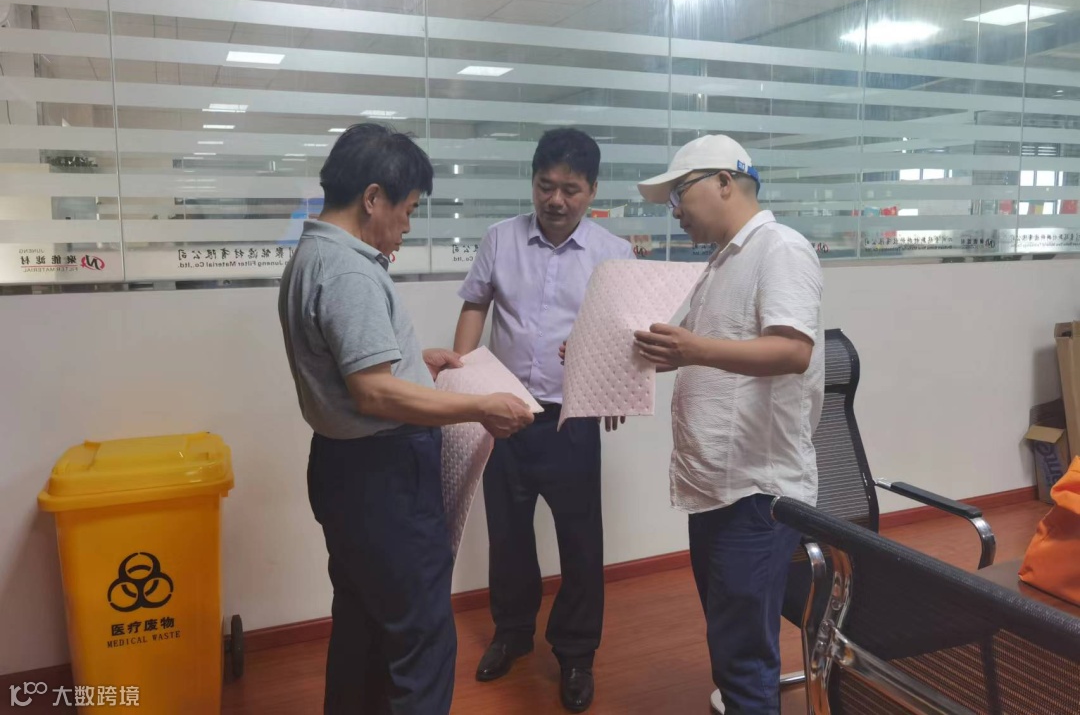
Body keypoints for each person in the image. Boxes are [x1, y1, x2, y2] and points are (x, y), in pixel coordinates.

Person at [277, 123, 535, 715]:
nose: (408, 225)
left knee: (362, 626)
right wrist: (480, 407)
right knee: (420, 638)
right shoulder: (348, 271)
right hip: (383, 476)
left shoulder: (312, 254)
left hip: (343, 470)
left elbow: (350, 369)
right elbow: (374, 394)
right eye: (409, 209)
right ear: (373, 198)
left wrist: (415, 362)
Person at [632, 135, 823, 715]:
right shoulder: (721, 262)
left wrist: (694, 349)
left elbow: (793, 351)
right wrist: (611, 363)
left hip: (757, 491)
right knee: (729, 641)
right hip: (714, 485)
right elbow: (690, 350)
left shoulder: (780, 249)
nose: (674, 211)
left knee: (743, 659)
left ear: (723, 182)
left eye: (679, 194)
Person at [453, 128, 635, 713]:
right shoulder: (500, 238)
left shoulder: (613, 253)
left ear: (592, 191)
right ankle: (512, 633)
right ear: (532, 182)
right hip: (502, 414)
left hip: (571, 418)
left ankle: (577, 653)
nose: (555, 200)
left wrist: (614, 388)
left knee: (580, 541)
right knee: (507, 535)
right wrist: (462, 383)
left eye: (570, 189)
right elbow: (476, 303)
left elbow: (626, 332)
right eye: (545, 185)